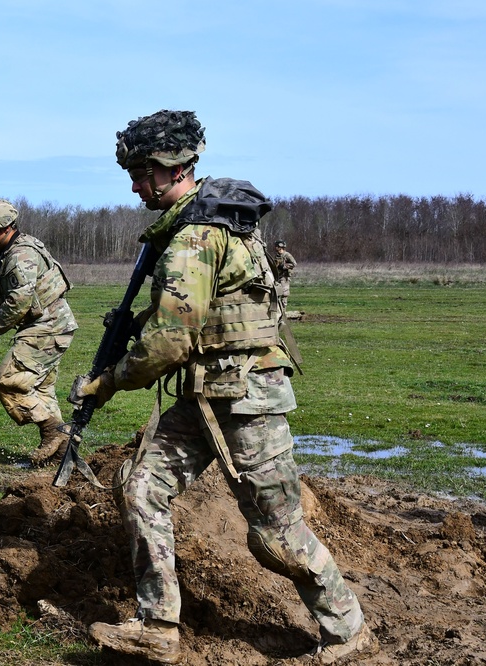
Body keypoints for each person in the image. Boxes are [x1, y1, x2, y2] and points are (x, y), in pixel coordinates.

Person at [77, 110, 377, 664]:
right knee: (142, 487)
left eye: (142, 173)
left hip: (249, 402)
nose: (136, 185)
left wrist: (108, 383)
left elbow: (171, 342)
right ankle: (157, 625)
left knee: (276, 533)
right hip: (205, 396)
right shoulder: (202, 226)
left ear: (172, 168)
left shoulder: (194, 238)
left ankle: (350, 631)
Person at [0, 198, 78, 466]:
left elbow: (18, 304)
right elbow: (9, 297)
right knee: (40, 389)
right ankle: (59, 457)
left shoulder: (20, 256)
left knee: (9, 380)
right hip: (48, 326)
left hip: (47, 327)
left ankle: (55, 432)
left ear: (3, 228)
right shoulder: (12, 251)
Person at [274, 239, 297, 310]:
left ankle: (283, 311)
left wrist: (283, 266)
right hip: (278, 277)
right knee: (277, 294)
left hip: (284, 277)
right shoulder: (277, 256)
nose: (275, 248)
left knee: (284, 294)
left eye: (276, 246)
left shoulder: (287, 255)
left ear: (280, 247)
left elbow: (294, 264)